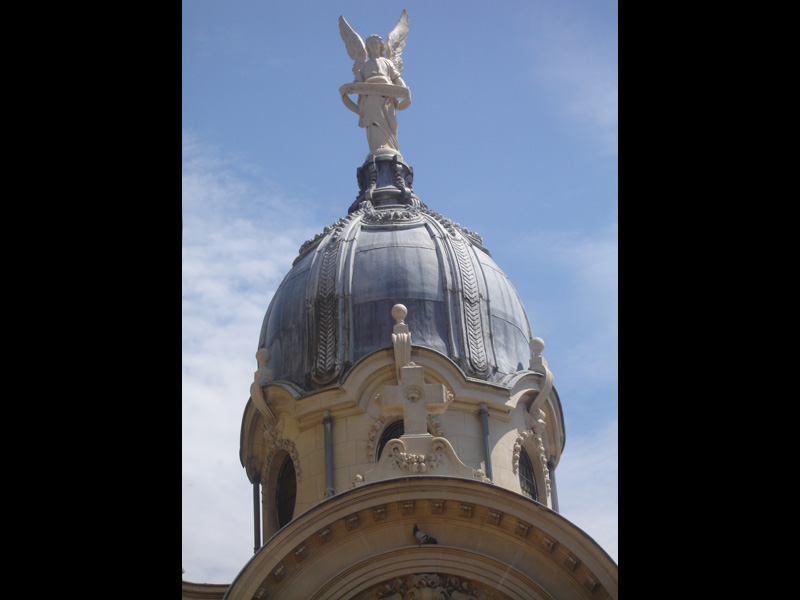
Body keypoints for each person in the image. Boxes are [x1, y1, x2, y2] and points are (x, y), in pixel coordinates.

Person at [344, 34, 410, 157]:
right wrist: (350, 90)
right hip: (371, 98)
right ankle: (378, 147)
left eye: (376, 43)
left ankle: (390, 147)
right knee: (374, 123)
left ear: (380, 46)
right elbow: (357, 83)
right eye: (371, 44)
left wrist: (404, 91)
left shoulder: (387, 63)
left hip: (387, 97)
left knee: (391, 125)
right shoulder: (364, 66)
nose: (374, 45)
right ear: (368, 48)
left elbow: (396, 78)